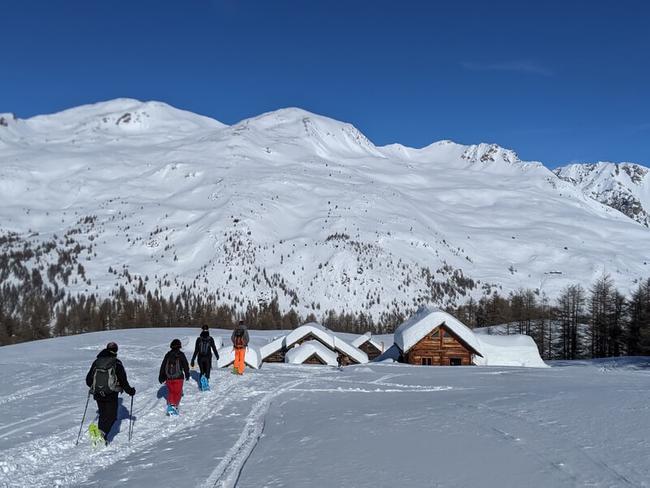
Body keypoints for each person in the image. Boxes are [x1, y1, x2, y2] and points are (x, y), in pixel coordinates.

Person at [85, 342, 136, 444]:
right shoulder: (116, 363)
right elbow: (123, 381)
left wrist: (96, 386)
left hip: (98, 393)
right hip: (111, 393)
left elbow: (88, 380)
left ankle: (99, 434)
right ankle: (101, 435)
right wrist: (130, 391)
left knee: (103, 414)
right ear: (116, 350)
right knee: (112, 416)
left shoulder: (97, 362)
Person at [158, 339, 190, 415]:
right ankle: (174, 406)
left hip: (169, 378)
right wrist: (187, 373)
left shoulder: (168, 354)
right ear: (179, 346)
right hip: (179, 377)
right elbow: (185, 365)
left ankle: (171, 405)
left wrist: (161, 375)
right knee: (178, 392)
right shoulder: (181, 354)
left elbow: (163, 365)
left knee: (171, 391)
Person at [190, 325, 220, 390]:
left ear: (202, 330)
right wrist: (217, 355)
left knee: (202, 371)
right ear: (208, 330)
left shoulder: (198, 339)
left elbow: (196, 350)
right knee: (207, 371)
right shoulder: (210, 339)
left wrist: (193, 359)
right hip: (208, 358)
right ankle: (206, 383)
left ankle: (201, 384)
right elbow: (214, 348)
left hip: (200, 358)